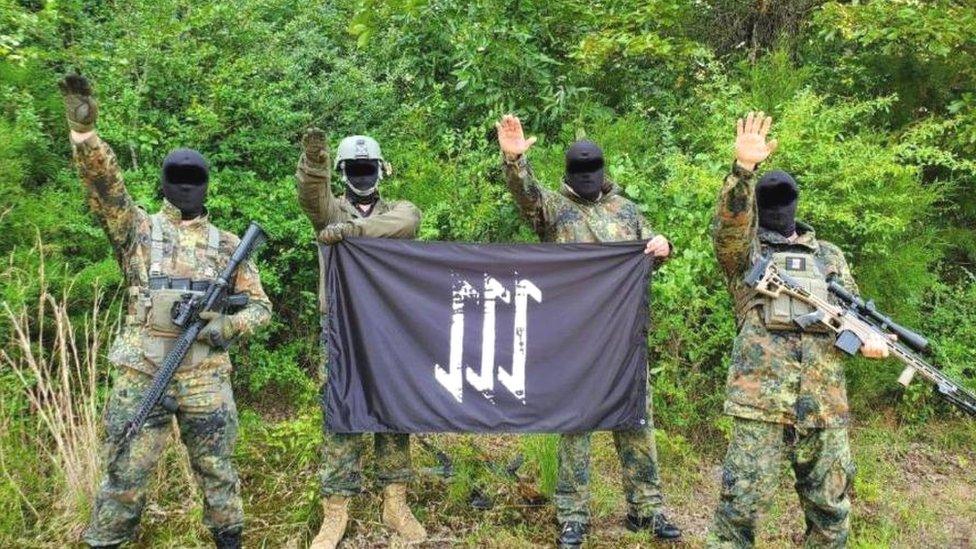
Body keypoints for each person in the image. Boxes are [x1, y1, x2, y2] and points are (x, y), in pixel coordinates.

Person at [60, 74, 272, 549]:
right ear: (162, 184)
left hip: (205, 377)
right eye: (177, 180)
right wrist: (85, 135)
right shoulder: (138, 231)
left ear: (207, 186)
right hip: (143, 374)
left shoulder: (229, 247)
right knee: (123, 478)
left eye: (193, 181)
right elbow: (105, 187)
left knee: (219, 475)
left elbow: (261, 309)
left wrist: (225, 325)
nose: (185, 189)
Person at [495, 114, 682, 548]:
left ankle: (647, 510)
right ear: (569, 176)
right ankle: (573, 516)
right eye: (580, 176)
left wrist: (662, 246)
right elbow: (526, 197)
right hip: (574, 338)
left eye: (593, 175)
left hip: (623, 338)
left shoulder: (626, 210)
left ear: (603, 173)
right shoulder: (556, 210)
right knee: (575, 427)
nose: (587, 182)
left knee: (635, 422)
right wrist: (514, 161)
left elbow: (651, 248)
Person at [706, 112, 891, 548]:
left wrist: (871, 340)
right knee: (739, 511)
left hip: (825, 406)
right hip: (760, 405)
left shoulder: (828, 256)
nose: (780, 206)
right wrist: (743, 171)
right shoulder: (746, 255)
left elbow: (854, 315)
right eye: (770, 199)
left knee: (831, 512)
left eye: (786, 198)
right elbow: (728, 226)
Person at [295, 128, 426, 548]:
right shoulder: (331, 211)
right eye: (355, 168)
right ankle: (336, 510)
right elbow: (311, 198)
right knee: (340, 412)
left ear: (381, 170)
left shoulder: (396, 211)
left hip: (390, 330)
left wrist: (356, 233)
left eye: (368, 168)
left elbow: (410, 220)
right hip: (341, 329)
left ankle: (395, 503)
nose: (363, 175)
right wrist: (313, 162)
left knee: (394, 412)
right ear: (342, 171)